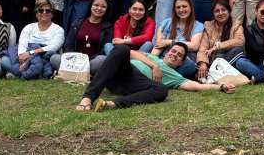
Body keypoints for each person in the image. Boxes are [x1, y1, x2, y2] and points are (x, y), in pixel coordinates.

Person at [76, 43, 234, 112]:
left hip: (134, 86)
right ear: (167, 52)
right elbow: (130, 53)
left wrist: (220, 86)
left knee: (161, 90)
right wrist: (154, 66)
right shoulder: (151, 57)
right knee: (121, 49)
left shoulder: (175, 75)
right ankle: (88, 98)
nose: (175, 55)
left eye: (179, 55)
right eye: (173, 51)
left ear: (180, 63)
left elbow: (197, 86)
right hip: (121, 72)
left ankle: (112, 104)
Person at [0, 0, 65, 80]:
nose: (44, 12)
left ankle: (20, 74)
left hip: (46, 57)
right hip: (27, 58)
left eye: (47, 11)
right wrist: (22, 58)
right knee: (4, 60)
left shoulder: (58, 29)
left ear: (52, 14)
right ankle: (36, 74)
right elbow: (22, 44)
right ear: (36, 14)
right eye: (41, 10)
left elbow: (53, 47)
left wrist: (32, 52)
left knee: (55, 59)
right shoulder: (29, 27)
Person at [141, 0, 204, 79]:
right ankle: (155, 72)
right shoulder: (166, 22)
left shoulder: (198, 25)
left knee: (190, 65)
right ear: (174, 9)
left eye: (184, 6)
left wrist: (169, 42)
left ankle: (156, 75)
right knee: (147, 45)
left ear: (191, 8)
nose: (181, 10)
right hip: (161, 58)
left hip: (178, 62)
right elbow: (159, 44)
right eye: (178, 7)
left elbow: (194, 46)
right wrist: (153, 62)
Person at [50, 0, 113, 76]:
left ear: (107, 9)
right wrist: (74, 59)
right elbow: (68, 45)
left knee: (102, 60)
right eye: (96, 5)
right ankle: (82, 74)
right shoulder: (78, 23)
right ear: (91, 6)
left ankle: (73, 73)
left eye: (103, 6)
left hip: (92, 62)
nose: (99, 8)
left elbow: (104, 50)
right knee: (54, 58)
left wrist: (86, 61)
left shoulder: (108, 27)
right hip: (74, 60)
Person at [196, 0, 246, 80]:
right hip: (214, 61)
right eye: (217, 11)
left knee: (238, 51)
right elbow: (203, 48)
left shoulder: (236, 24)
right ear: (213, 14)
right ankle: (259, 76)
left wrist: (218, 46)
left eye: (223, 10)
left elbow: (240, 41)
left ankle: (214, 74)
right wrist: (203, 63)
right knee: (241, 62)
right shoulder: (208, 26)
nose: (220, 13)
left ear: (229, 11)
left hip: (232, 59)